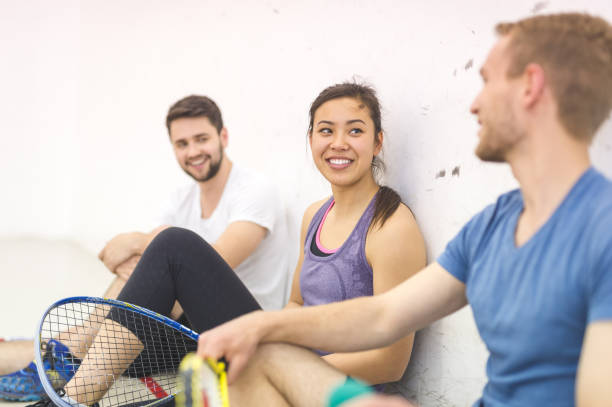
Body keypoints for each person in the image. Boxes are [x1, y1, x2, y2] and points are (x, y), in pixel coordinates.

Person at [194, 12, 612, 407]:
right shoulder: (492, 224)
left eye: (486, 81)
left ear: (530, 86)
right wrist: (260, 327)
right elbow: (384, 314)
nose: (473, 104)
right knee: (257, 360)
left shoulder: (601, 228)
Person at [28, 82, 427, 407]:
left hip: (328, 390)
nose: (338, 142)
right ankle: (72, 397)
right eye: (326, 130)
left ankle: (70, 399)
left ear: (377, 142)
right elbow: (297, 307)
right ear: (311, 140)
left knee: (174, 247)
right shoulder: (316, 214)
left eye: (355, 130)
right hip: (279, 362)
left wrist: (286, 369)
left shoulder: (391, 226)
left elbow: (390, 361)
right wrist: (262, 347)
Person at [0, 95, 289, 401]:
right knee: (101, 342)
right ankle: (60, 356)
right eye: (182, 143)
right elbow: (128, 261)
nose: (193, 151)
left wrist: (138, 240)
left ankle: (67, 361)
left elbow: (203, 264)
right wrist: (145, 253)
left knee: (169, 245)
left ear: (223, 136)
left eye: (201, 139)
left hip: (242, 330)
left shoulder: (256, 191)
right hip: (189, 332)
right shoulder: (182, 198)